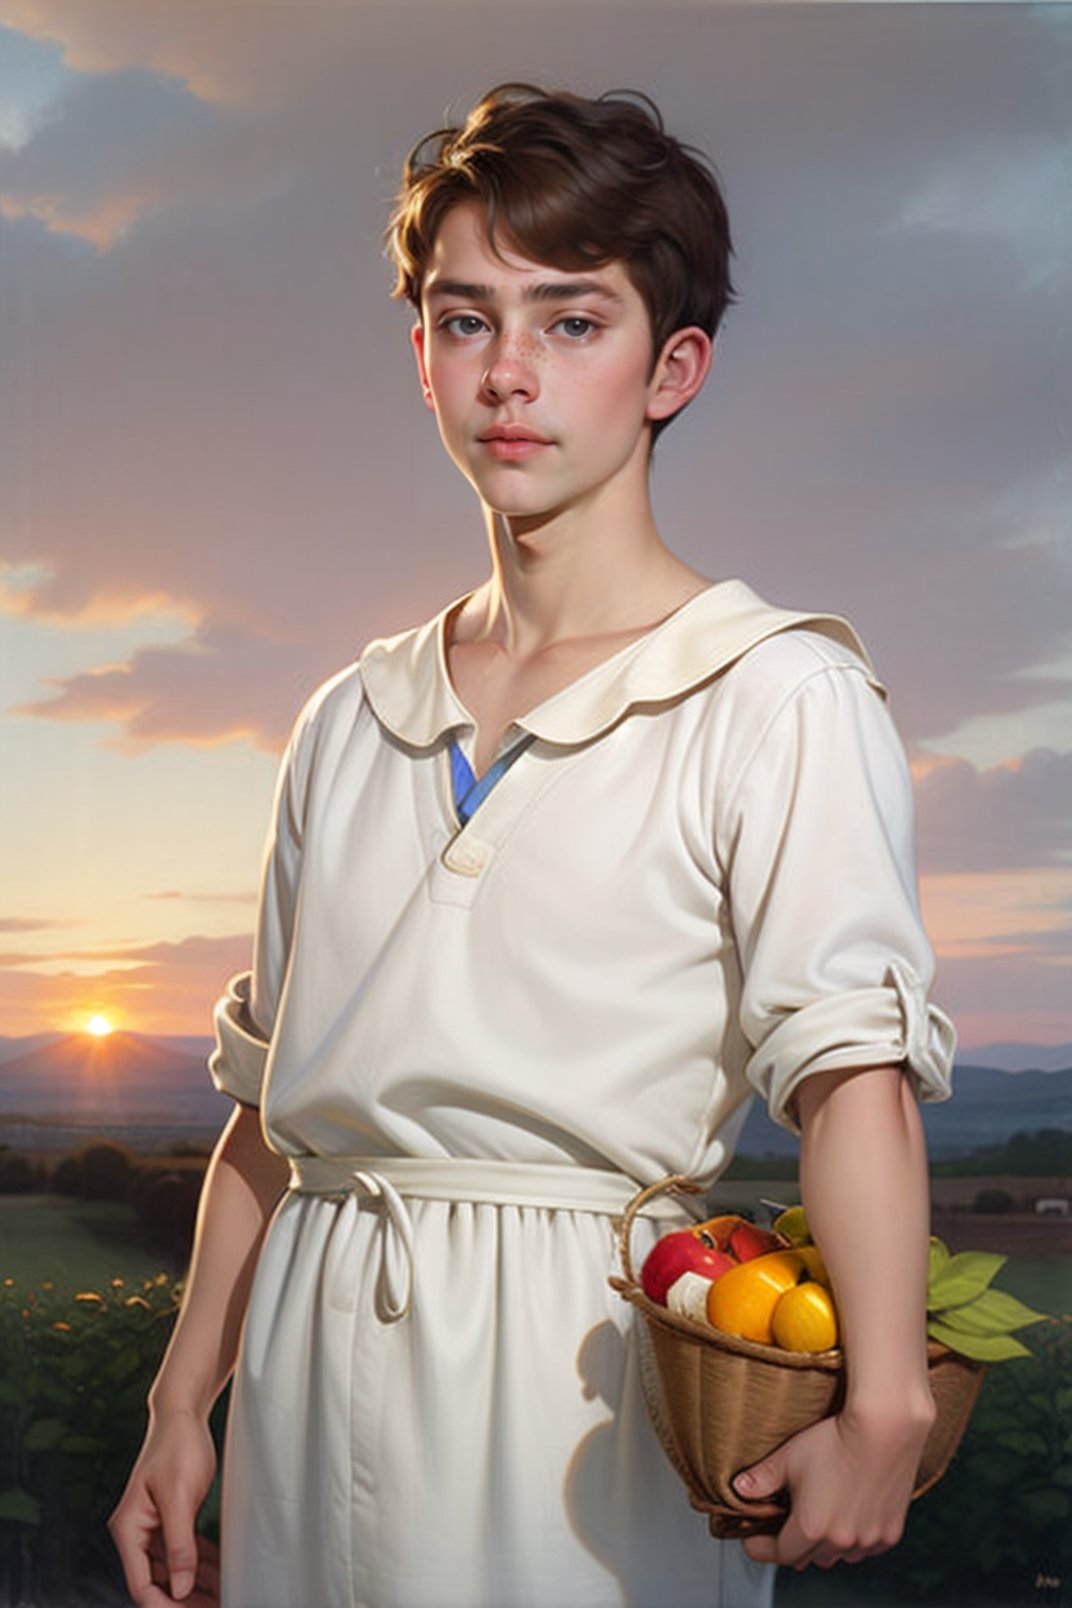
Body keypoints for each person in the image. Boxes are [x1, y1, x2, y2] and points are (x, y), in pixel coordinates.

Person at [109, 83, 956, 1608]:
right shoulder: (347, 718)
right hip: (308, 1370)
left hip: (579, 1386)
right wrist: (184, 1407)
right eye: (466, 319)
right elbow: (265, 1118)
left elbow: (853, 1074)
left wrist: (883, 1400)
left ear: (672, 368)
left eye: (573, 323)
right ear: (418, 356)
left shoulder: (775, 692)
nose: (510, 374)